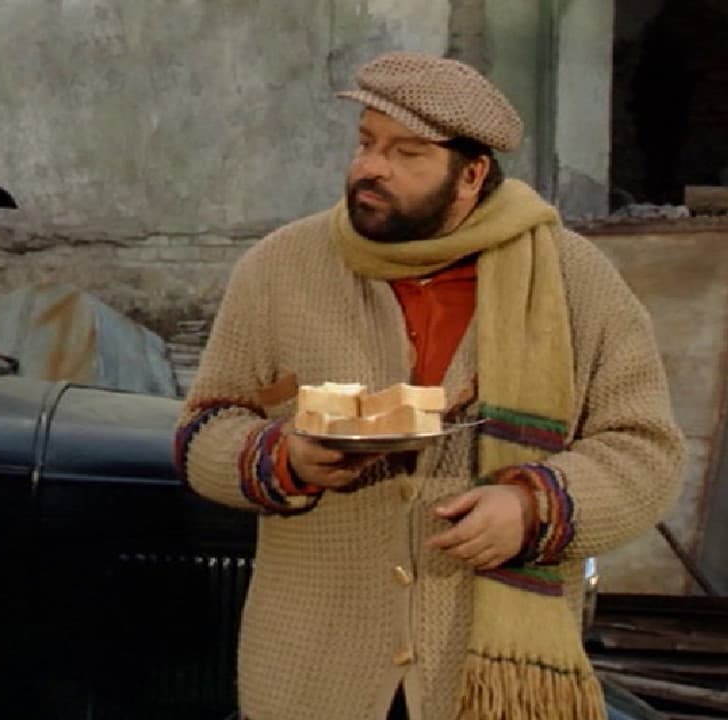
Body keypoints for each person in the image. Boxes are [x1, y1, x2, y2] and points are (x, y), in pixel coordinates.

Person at [174, 51, 684, 720]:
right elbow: (202, 432)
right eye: (366, 143)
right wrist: (286, 458)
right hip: (312, 674)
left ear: (470, 174)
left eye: (406, 153)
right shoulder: (280, 269)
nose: (371, 168)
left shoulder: (573, 280)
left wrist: (532, 508)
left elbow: (645, 450)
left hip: (483, 684)